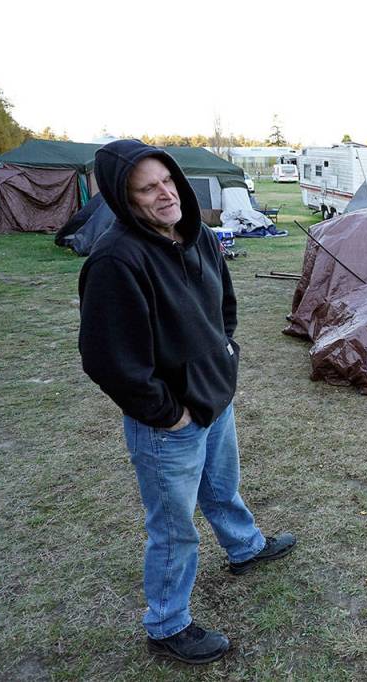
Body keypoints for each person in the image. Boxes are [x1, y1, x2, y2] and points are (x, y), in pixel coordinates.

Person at [78, 140, 296, 665]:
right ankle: (167, 624)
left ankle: (245, 547)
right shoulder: (116, 260)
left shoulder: (197, 235)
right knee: (174, 528)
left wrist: (225, 355)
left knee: (222, 487)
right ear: (123, 198)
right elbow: (106, 359)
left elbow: (224, 304)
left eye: (167, 181)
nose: (165, 194)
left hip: (215, 397)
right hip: (167, 424)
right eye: (147, 188)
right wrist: (167, 413)